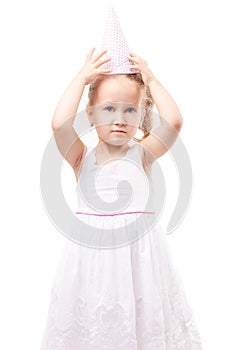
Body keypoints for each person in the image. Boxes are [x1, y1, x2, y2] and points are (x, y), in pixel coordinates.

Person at [40, 48, 204, 349]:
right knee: (93, 317)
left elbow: (175, 121)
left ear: (142, 115)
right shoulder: (81, 158)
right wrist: (81, 77)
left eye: (130, 110)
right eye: (108, 109)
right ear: (90, 114)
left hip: (138, 260)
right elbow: (58, 125)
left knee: (140, 318)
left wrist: (151, 78)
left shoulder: (142, 155)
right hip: (93, 259)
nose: (119, 119)